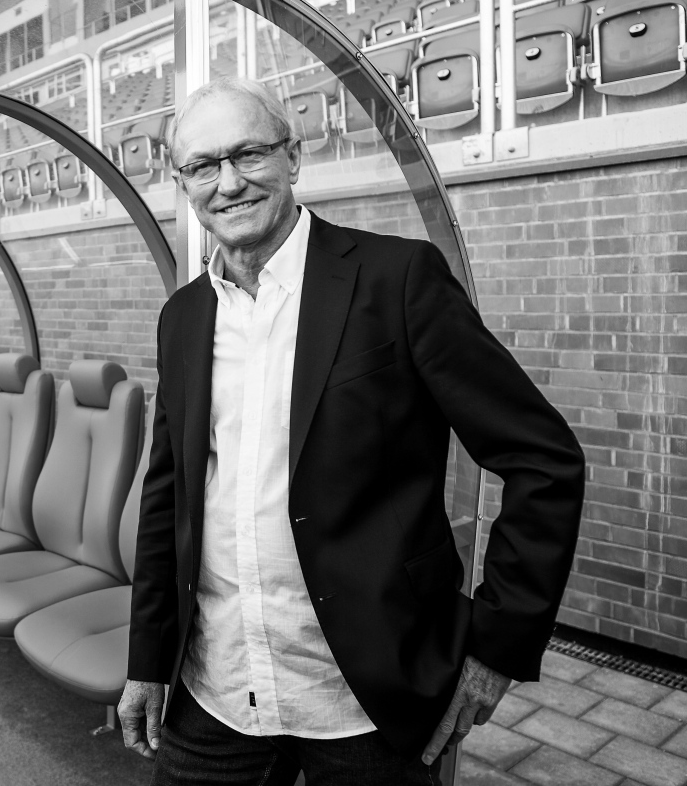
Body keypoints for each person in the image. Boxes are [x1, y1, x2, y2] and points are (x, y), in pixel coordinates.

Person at [118, 77, 586, 785]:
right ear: (182, 183)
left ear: (293, 156)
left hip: (367, 701)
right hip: (215, 688)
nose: (229, 182)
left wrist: (498, 645)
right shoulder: (182, 317)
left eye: (249, 154)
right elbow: (169, 498)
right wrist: (148, 661)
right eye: (203, 165)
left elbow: (543, 460)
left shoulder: (397, 279)